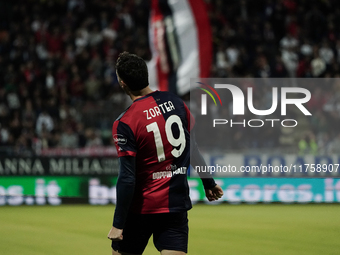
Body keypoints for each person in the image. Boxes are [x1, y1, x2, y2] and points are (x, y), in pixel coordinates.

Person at [107, 52, 223, 255]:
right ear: (146, 75)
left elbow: (127, 177)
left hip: (140, 210)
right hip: (175, 207)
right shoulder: (177, 103)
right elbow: (192, 147)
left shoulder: (125, 122)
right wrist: (208, 182)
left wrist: (118, 223)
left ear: (123, 83)